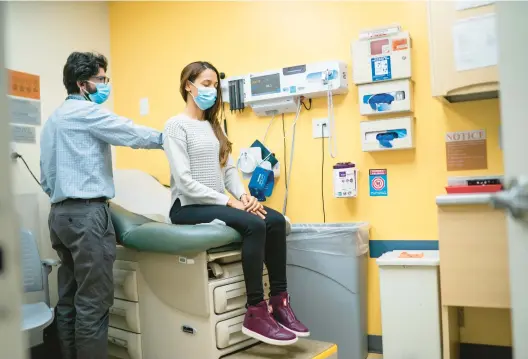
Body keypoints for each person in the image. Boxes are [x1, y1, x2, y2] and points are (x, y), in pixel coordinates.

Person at [163, 61, 310, 346]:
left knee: (276, 220)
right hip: (187, 207)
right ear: (187, 85)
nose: (212, 90)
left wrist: (243, 197)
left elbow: (228, 171)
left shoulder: (213, 125)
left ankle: (279, 302)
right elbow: (183, 181)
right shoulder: (175, 126)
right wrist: (231, 204)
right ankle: (255, 310)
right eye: (206, 84)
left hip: (218, 201)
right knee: (254, 223)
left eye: (215, 86)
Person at [40, 51, 164, 359]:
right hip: (87, 216)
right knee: (93, 303)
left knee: (68, 299)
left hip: (59, 216)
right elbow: (134, 134)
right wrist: (173, 137)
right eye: (101, 79)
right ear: (83, 84)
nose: (106, 84)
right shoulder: (88, 114)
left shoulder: (53, 121)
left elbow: (46, 177)